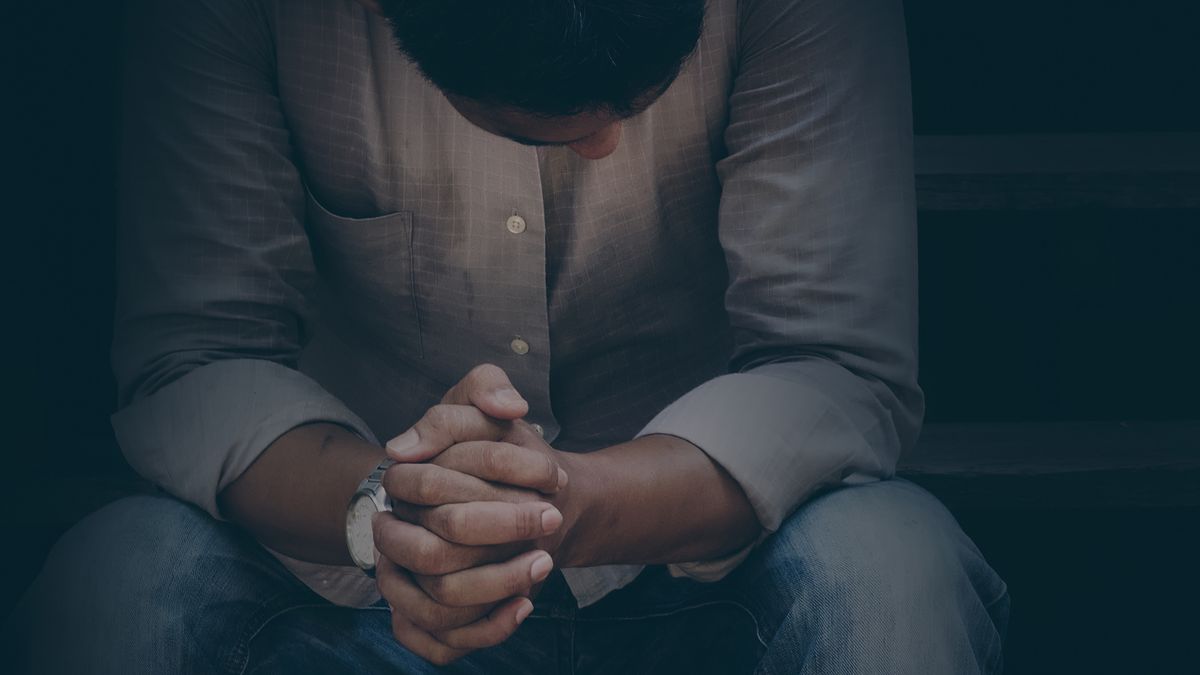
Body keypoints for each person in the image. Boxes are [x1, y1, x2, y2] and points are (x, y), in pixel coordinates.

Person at [8, 0, 1009, 672]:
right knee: (116, 581)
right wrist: (385, 519)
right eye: (548, 123)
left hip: (698, 571)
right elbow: (197, 359)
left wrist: (573, 506)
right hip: (342, 585)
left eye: (646, 93)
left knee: (892, 569)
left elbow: (832, 364)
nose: (609, 143)